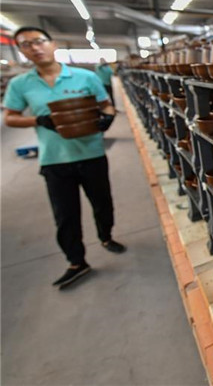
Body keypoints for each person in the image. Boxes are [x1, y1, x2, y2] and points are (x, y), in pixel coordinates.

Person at [3, 26, 126, 289]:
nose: (35, 48)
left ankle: (106, 237)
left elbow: (106, 105)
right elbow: (10, 118)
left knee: (102, 202)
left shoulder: (85, 77)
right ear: (21, 51)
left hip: (91, 153)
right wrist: (39, 120)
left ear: (52, 44)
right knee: (65, 214)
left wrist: (107, 118)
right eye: (26, 44)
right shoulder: (20, 84)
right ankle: (76, 261)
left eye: (39, 41)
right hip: (54, 159)